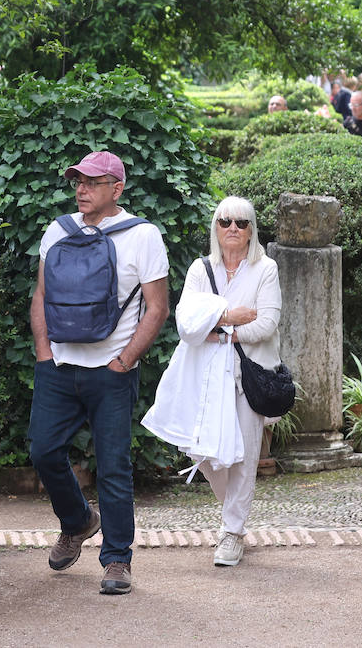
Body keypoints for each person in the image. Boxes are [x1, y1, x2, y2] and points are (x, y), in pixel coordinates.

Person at [29, 151, 170, 596]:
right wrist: (43, 352)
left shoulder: (143, 236)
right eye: (77, 181)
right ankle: (77, 521)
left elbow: (158, 308)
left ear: (117, 188)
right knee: (43, 451)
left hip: (111, 371)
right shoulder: (59, 230)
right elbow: (41, 294)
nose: (81, 189)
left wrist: (124, 361)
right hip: (60, 366)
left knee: (113, 466)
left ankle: (116, 560)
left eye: (92, 181)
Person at [143, 196, 280, 568]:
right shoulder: (200, 270)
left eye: (240, 222)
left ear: (252, 230)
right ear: (215, 228)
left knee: (245, 456)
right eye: (224, 221)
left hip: (248, 377)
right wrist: (231, 315)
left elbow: (266, 324)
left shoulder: (265, 269)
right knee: (202, 453)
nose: (232, 228)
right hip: (206, 379)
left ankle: (232, 532)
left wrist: (216, 329)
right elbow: (187, 325)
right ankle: (234, 512)